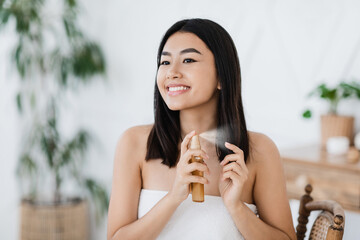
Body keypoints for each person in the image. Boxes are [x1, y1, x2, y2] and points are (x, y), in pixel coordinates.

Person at [107, 18, 296, 240]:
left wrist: (236, 207)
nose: (172, 72)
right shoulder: (134, 143)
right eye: (165, 62)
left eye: (188, 60)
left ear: (222, 77)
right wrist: (174, 197)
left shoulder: (260, 150)